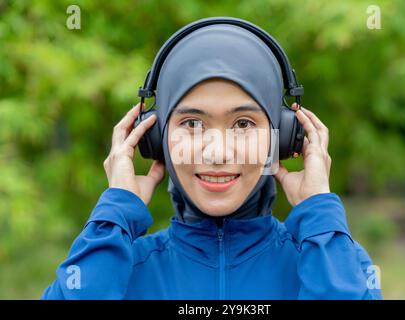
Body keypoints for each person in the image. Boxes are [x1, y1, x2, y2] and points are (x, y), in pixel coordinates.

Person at [41, 22, 382, 300]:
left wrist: (318, 210)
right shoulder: (122, 271)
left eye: (243, 124)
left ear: (283, 136)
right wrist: (116, 210)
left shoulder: (327, 262)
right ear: (155, 137)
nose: (217, 151)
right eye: (192, 124)